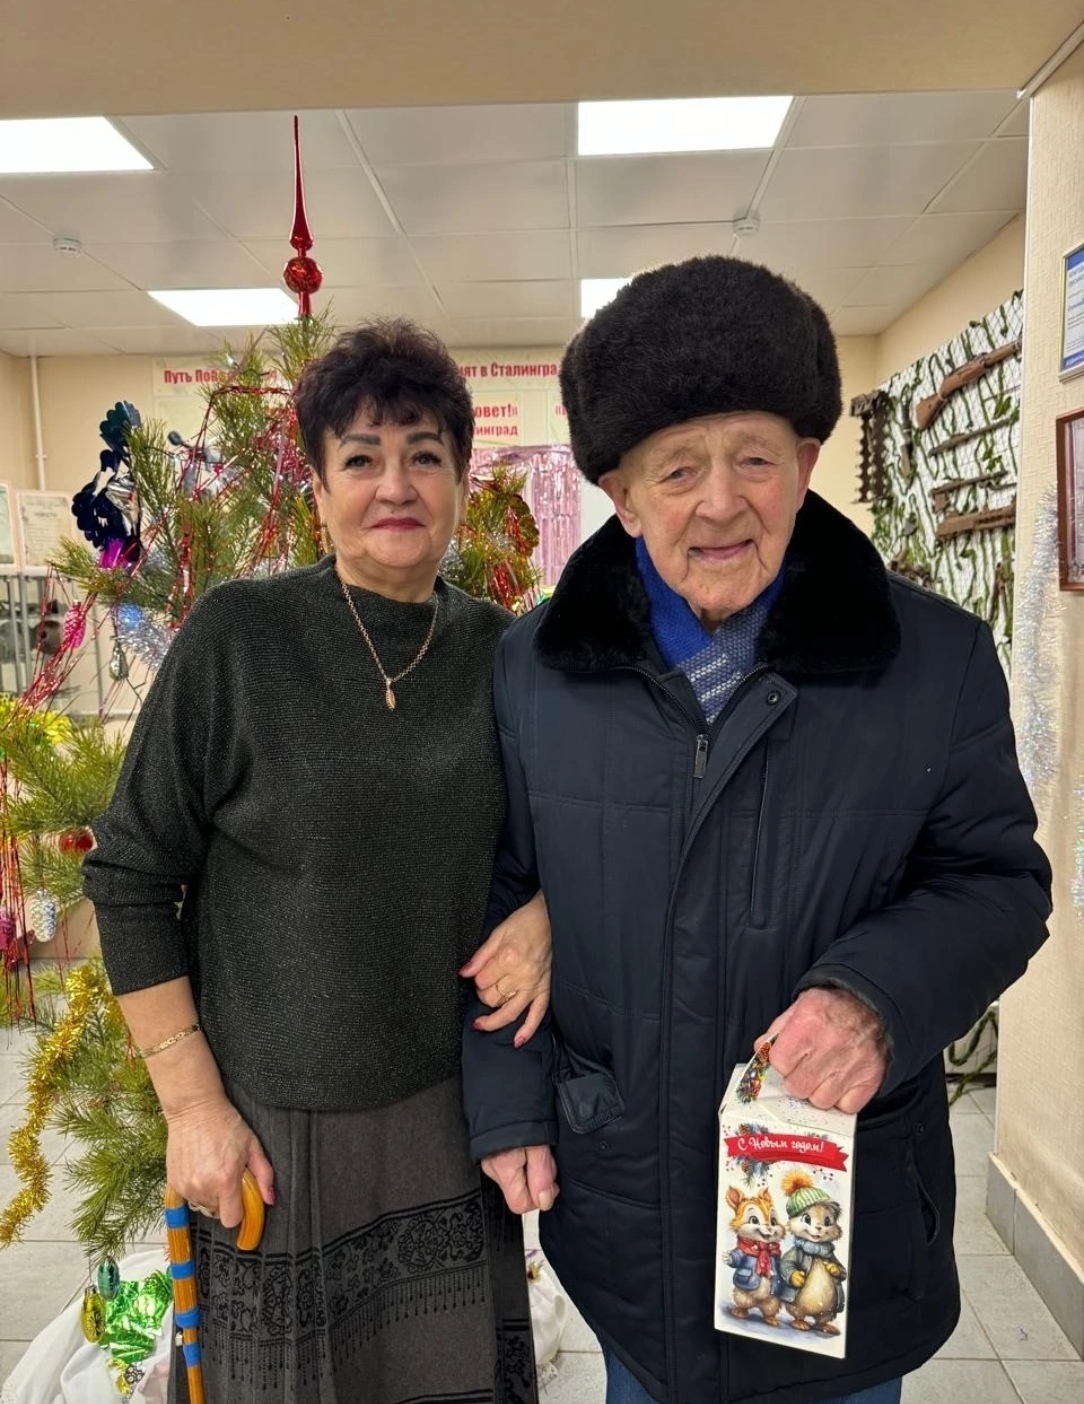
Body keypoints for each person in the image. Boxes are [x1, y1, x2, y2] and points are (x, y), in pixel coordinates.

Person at [462, 257, 1052, 1404]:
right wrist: (508, 1101)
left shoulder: (932, 662)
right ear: (623, 494)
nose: (720, 502)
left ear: (807, 464)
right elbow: (496, 889)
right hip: (625, 1215)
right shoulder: (535, 669)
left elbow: (994, 883)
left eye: (754, 459)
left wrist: (874, 1000)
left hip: (835, 1216)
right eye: (678, 468)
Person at [83, 319, 551, 1404]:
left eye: (424, 455)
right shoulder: (239, 639)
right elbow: (131, 876)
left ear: (460, 479)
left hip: (450, 1121)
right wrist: (191, 1107)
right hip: (275, 1135)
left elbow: (570, 836)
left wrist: (548, 918)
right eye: (361, 458)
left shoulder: (503, 651)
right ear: (319, 486)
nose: (395, 485)